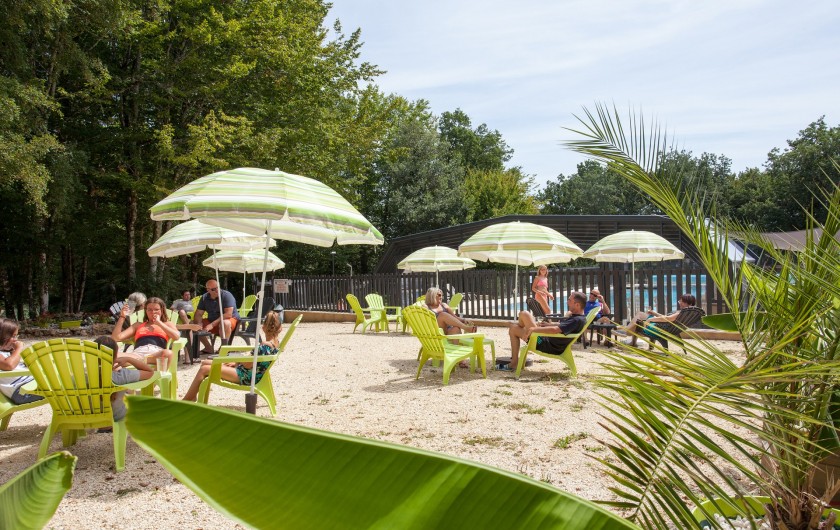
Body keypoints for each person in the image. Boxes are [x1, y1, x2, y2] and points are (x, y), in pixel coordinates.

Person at [182, 311, 282, 402]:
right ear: (279, 328)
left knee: (204, 369)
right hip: (249, 373)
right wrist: (236, 362)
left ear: (264, 328)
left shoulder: (264, 346)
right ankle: (192, 396)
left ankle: (187, 399)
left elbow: (247, 365)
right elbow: (253, 363)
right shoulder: (275, 344)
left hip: (246, 376)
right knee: (205, 363)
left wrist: (238, 361)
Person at [507, 291, 588, 372]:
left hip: (543, 343)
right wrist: (549, 324)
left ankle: (514, 363)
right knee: (517, 324)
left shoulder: (576, 320)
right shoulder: (579, 318)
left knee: (522, 316)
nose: (567, 302)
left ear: (577, 305)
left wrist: (533, 329)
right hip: (547, 341)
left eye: (569, 300)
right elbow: (561, 326)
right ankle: (514, 361)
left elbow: (555, 330)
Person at [111, 297, 179, 375]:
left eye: (156, 309)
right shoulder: (138, 325)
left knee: (168, 353)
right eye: (149, 310)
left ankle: (153, 380)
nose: (153, 312)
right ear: (146, 311)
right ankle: (124, 379)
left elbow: (176, 336)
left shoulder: (167, 324)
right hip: (137, 354)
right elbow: (116, 338)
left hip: (155, 354)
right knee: (111, 356)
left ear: (162, 310)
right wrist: (122, 317)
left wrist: (159, 323)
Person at [93, 335, 143, 423]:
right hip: (116, 417)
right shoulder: (121, 375)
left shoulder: (80, 377)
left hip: (90, 417)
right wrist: (129, 359)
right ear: (115, 356)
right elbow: (149, 372)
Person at [624, 293, 697, 347]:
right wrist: (654, 313)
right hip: (666, 327)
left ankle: (626, 332)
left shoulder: (681, 313)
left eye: (682, 302)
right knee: (641, 316)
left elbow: (667, 318)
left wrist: (650, 319)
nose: (680, 303)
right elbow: (667, 318)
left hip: (659, 328)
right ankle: (628, 333)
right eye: (680, 301)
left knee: (640, 315)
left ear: (689, 303)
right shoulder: (688, 313)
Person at [0, 318, 44, 405]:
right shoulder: (5, 358)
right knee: (67, 385)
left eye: (16, 336)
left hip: (30, 386)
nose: (16, 340)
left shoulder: (6, 353)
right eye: (13, 336)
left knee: (68, 381)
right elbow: (9, 365)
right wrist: (18, 349)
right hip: (22, 392)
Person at [192, 279, 240, 355]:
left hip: (229, 321)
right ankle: (208, 347)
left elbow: (228, 314)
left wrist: (212, 324)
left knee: (225, 323)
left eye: (218, 287)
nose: (217, 290)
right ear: (208, 290)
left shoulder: (226, 295)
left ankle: (223, 348)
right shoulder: (204, 298)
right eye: (214, 289)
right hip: (212, 321)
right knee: (192, 324)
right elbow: (198, 314)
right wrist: (199, 322)